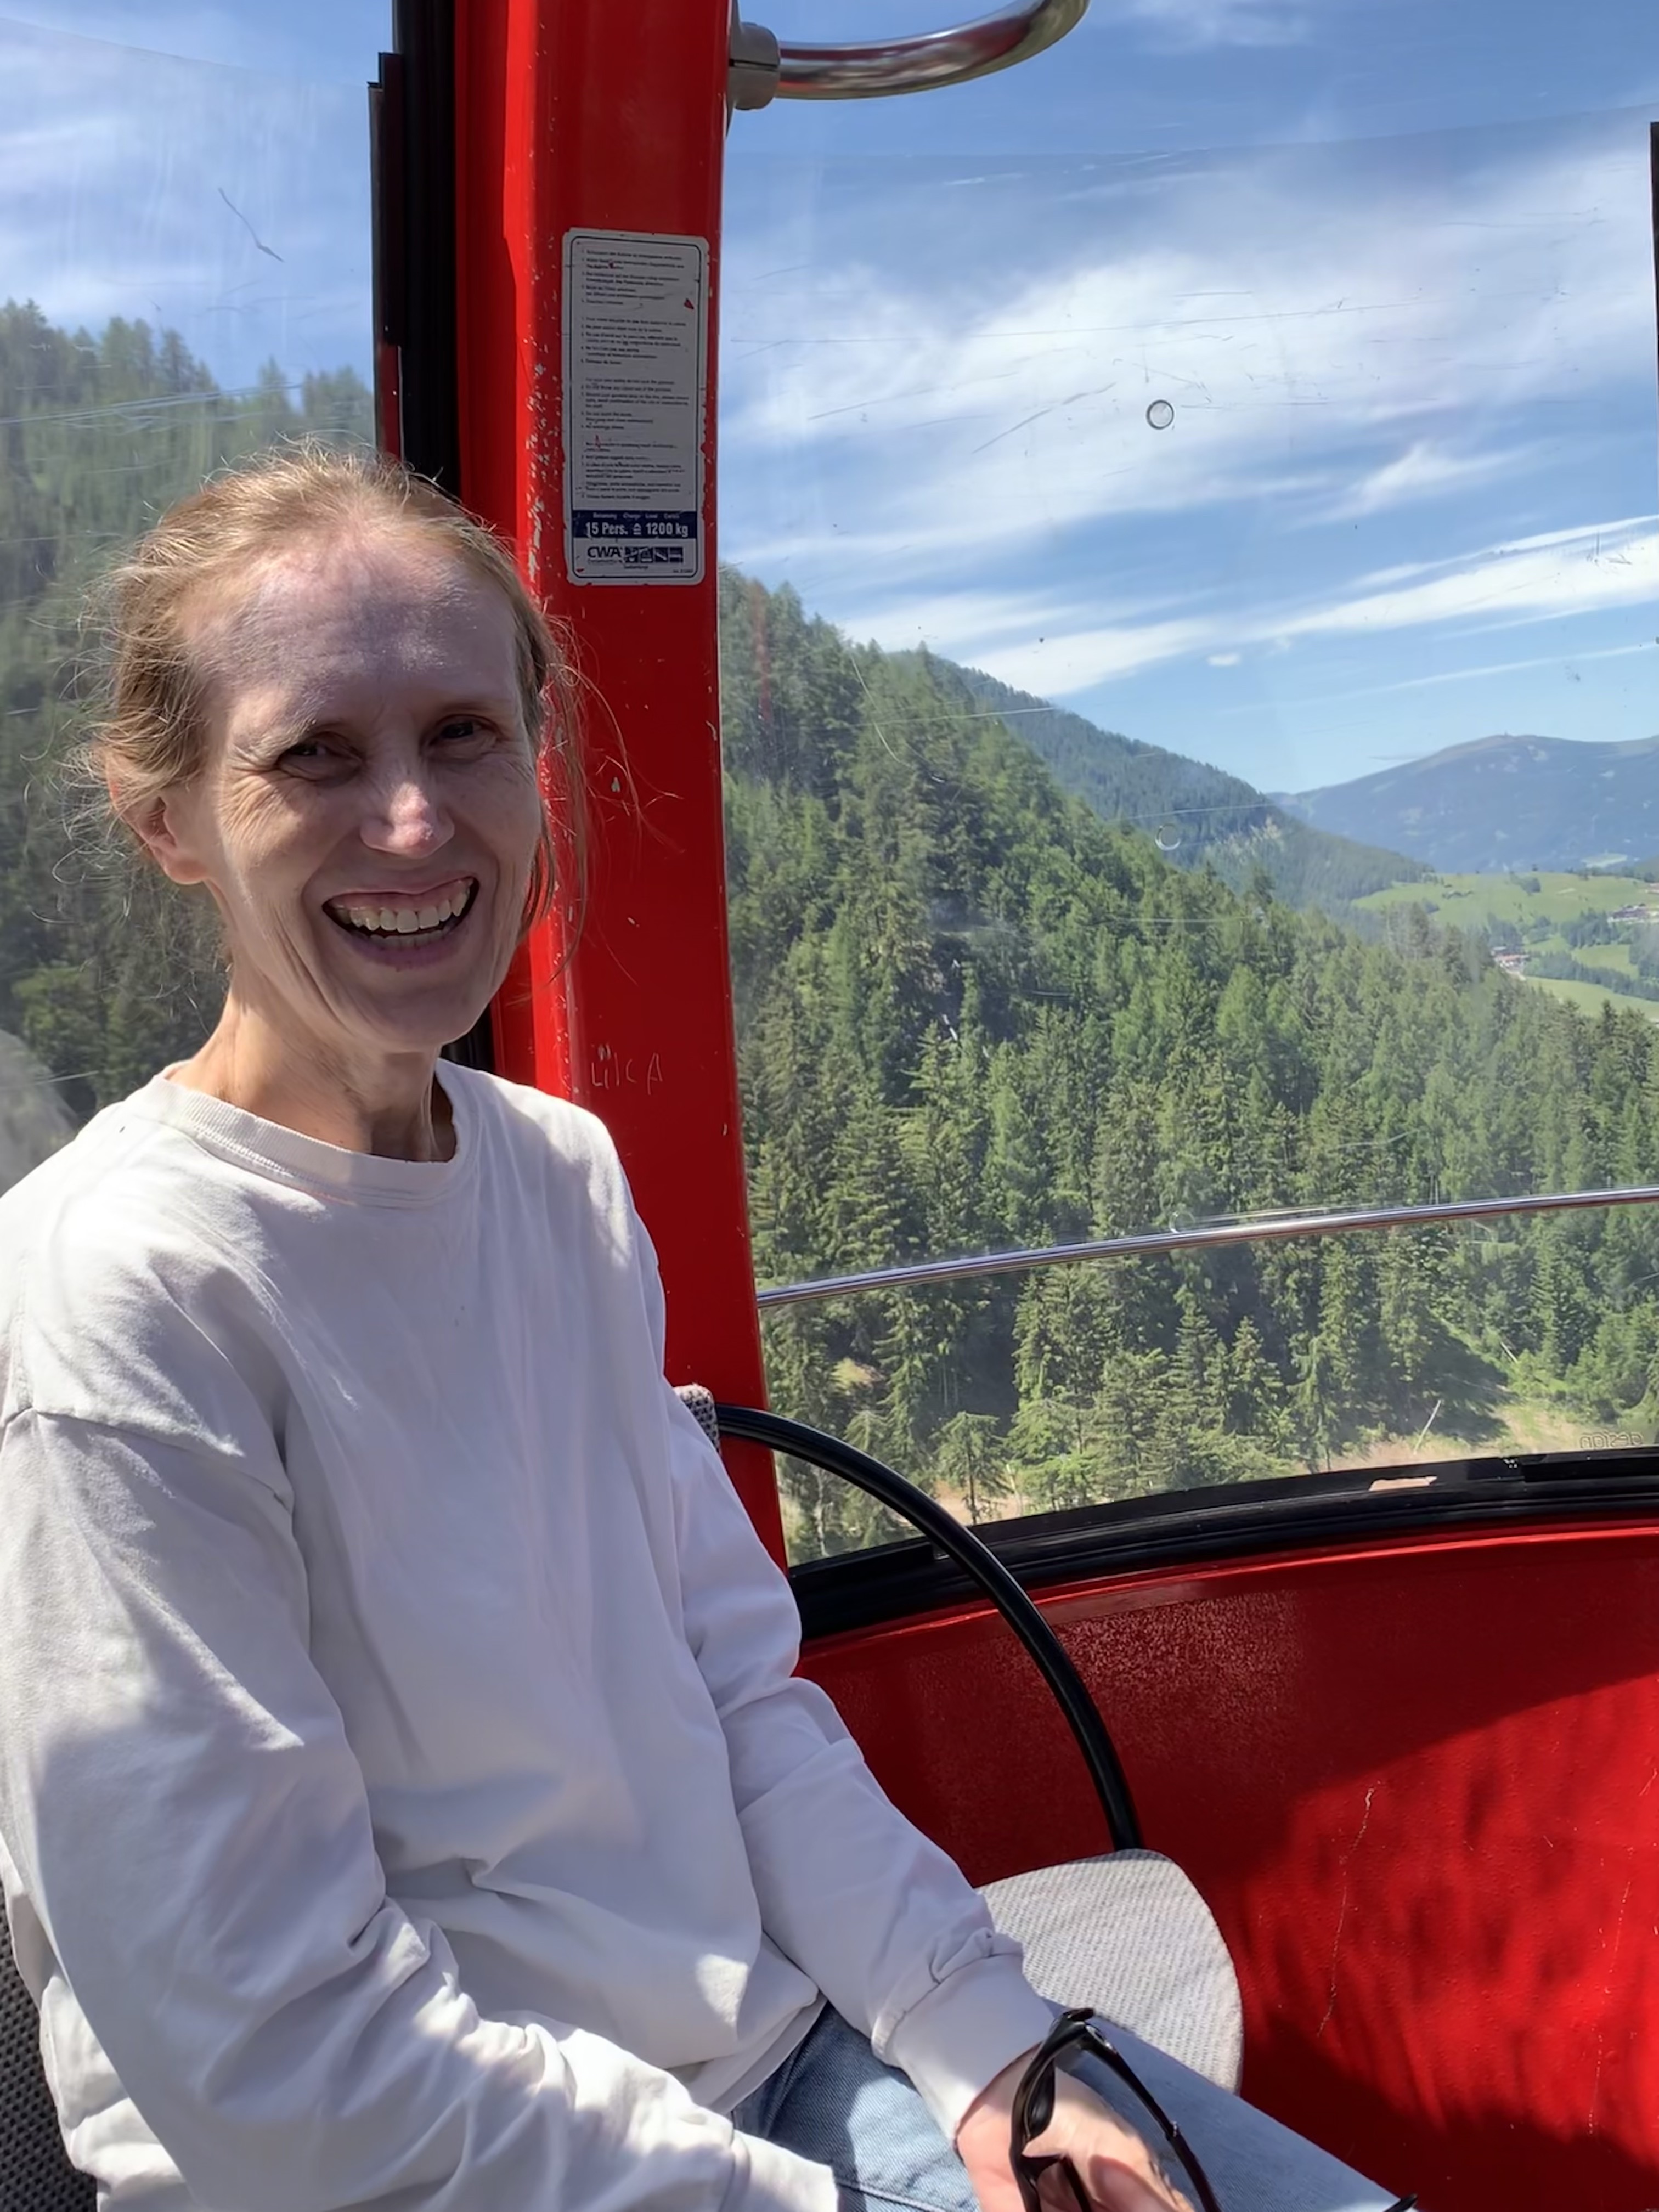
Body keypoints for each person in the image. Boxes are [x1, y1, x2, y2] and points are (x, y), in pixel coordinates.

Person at [0, 449, 1413, 2212]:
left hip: (766, 2061)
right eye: (313, 756)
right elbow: (274, 2059)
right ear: (165, 817)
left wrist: (980, 2040)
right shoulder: (126, 1287)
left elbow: (734, 1693)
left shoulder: (560, 1180)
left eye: (462, 735)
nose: (418, 825)